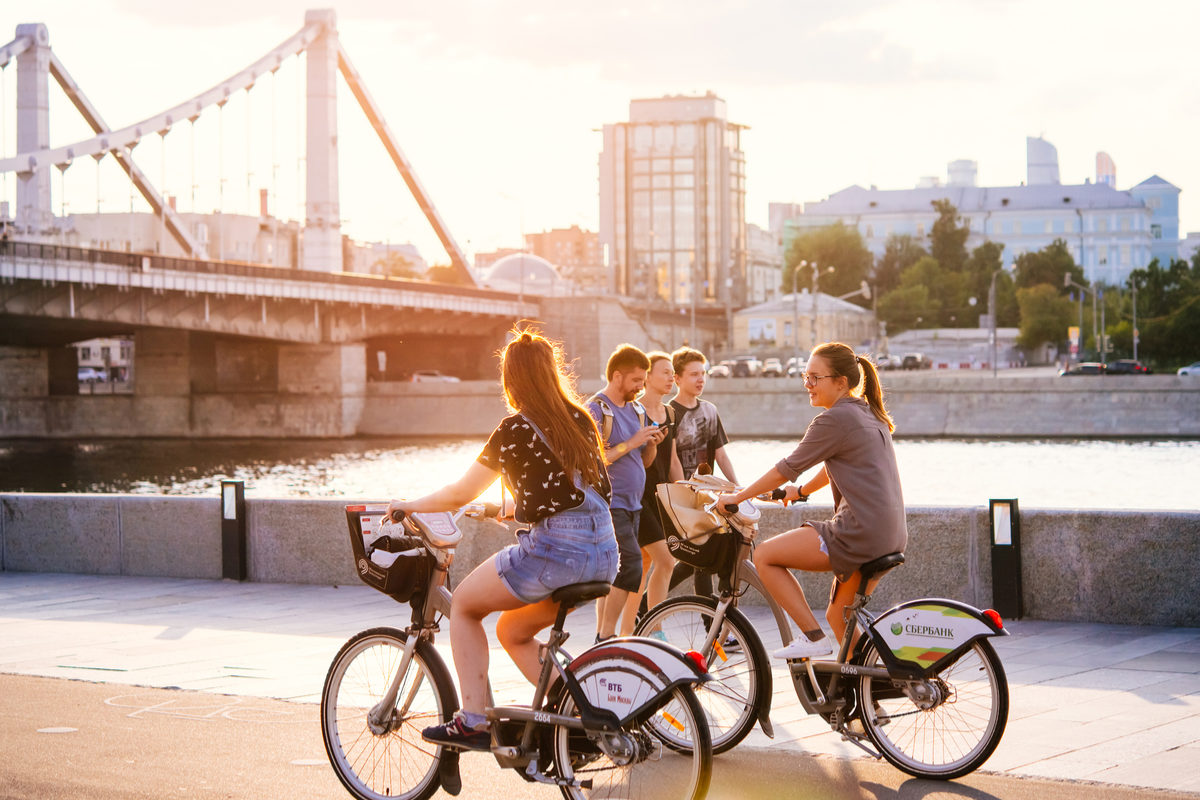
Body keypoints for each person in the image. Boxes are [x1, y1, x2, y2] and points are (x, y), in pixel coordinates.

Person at [387, 329, 618, 750]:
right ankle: (574, 714)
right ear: (551, 373)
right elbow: (578, 492)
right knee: (512, 631)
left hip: (558, 553)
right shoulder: (581, 419)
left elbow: (460, 492)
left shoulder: (514, 428)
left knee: (464, 606)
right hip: (603, 553)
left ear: (511, 379)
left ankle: (473, 721)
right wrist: (507, 509)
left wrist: (410, 505)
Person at [716, 342, 908, 660]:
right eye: (805, 376)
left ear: (841, 382)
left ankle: (812, 636)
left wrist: (737, 498)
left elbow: (785, 469)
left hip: (858, 532)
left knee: (765, 556)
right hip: (890, 534)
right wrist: (801, 491)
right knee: (839, 617)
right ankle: (870, 685)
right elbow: (835, 463)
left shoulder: (834, 419)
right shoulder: (867, 412)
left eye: (815, 377)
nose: (807, 384)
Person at [587, 344, 666, 642]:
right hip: (610, 504)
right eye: (635, 380)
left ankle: (601, 636)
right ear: (617, 376)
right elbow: (593, 460)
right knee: (631, 564)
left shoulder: (637, 410)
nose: (640, 387)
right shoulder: (596, 410)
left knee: (615, 573)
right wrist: (631, 442)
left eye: (642, 381)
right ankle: (607, 635)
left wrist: (651, 446)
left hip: (633, 504)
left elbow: (643, 462)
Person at [622, 350, 683, 634]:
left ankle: (628, 631)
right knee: (666, 560)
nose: (671, 377)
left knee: (644, 564)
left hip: (661, 496)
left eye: (673, 373)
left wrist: (683, 493)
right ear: (647, 377)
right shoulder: (634, 412)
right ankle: (654, 629)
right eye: (665, 372)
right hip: (638, 496)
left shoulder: (670, 413)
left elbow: (673, 460)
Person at [669, 346, 738, 596]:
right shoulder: (669, 413)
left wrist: (738, 488)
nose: (700, 379)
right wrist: (683, 495)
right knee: (701, 556)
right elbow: (670, 460)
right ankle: (710, 618)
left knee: (700, 558)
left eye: (703, 373)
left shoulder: (710, 410)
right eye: (693, 374)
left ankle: (645, 605)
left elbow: (721, 454)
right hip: (683, 496)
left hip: (708, 495)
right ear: (677, 378)